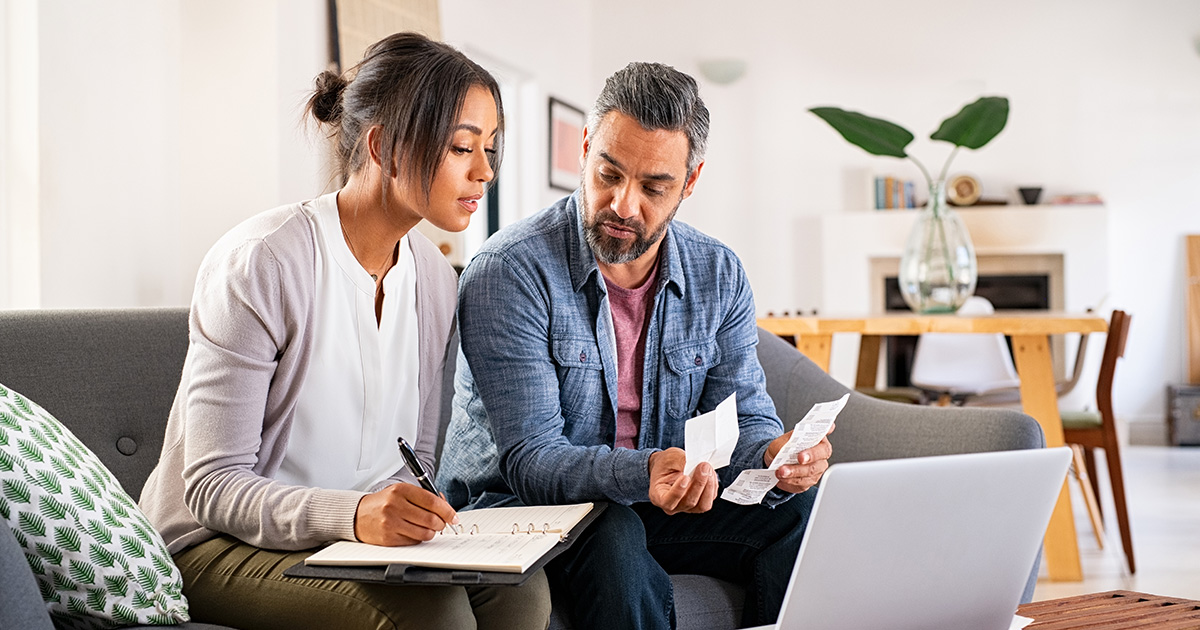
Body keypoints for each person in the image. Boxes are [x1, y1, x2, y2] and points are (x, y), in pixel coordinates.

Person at [139, 32, 551, 630]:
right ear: (382, 145)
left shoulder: (437, 280)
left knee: (523, 593)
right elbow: (212, 486)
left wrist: (416, 518)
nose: (484, 171)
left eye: (490, 148)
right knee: (434, 616)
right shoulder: (263, 263)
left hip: (355, 544)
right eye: (463, 147)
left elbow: (418, 458)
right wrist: (354, 515)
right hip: (216, 546)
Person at [438, 62, 833, 630]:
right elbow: (531, 462)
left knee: (795, 513)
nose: (624, 205)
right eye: (609, 174)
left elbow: (744, 416)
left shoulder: (717, 272)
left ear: (690, 183)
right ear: (585, 149)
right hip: (516, 510)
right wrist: (645, 471)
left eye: (654, 188)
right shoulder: (510, 271)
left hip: (651, 499)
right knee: (614, 531)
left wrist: (774, 458)